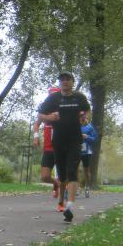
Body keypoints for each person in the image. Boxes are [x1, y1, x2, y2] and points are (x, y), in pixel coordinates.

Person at [37, 72, 90, 223]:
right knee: (62, 175)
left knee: (72, 171)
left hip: (75, 140)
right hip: (58, 141)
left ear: (72, 82)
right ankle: (61, 200)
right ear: (60, 83)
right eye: (62, 80)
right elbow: (40, 114)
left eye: (68, 80)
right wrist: (49, 117)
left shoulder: (79, 97)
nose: (65, 82)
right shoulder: (53, 98)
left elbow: (87, 109)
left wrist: (85, 117)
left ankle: (69, 206)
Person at [32, 86, 60, 203]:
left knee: (64, 174)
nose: (51, 97)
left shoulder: (63, 108)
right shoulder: (46, 109)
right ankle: (56, 183)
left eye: (54, 95)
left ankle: (62, 202)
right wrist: (36, 137)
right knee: (45, 177)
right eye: (50, 95)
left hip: (61, 147)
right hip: (48, 147)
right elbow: (36, 124)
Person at [79, 113, 98, 197]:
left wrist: (87, 137)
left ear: (86, 118)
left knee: (86, 170)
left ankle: (87, 187)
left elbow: (95, 139)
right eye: (81, 117)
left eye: (84, 117)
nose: (82, 118)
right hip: (77, 150)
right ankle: (78, 187)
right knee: (75, 169)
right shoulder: (76, 126)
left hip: (86, 151)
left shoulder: (90, 128)